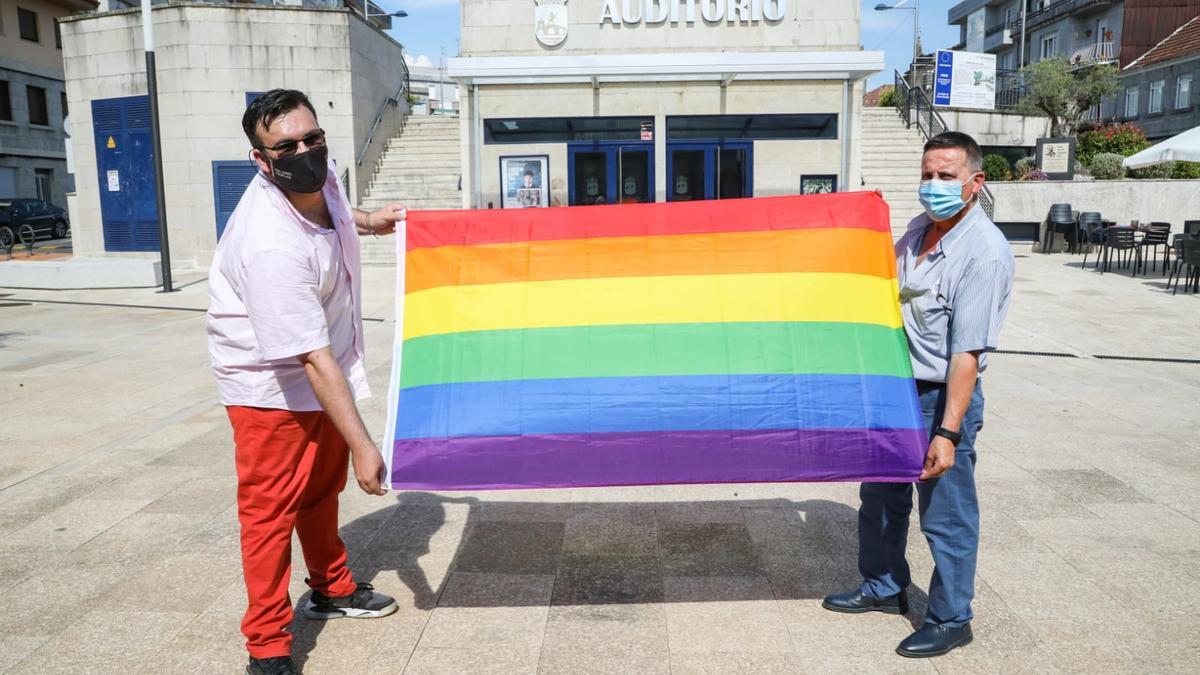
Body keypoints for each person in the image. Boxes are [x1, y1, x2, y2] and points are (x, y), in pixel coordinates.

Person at [206, 89, 408, 675]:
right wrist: (365, 445)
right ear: (260, 160)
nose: (305, 151)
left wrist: (373, 222)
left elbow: (343, 215)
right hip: (268, 387)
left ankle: (332, 588)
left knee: (321, 491)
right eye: (286, 146)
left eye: (311, 138)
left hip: (324, 370)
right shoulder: (268, 240)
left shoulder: (320, 178)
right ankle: (267, 646)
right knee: (270, 512)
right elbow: (311, 358)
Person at [822, 131, 1014, 658]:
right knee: (880, 498)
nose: (932, 185)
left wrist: (948, 433)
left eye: (946, 176)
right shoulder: (916, 230)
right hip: (890, 392)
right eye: (927, 174)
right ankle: (884, 586)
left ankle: (952, 617)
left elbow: (966, 356)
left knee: (945, 514)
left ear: (975, 183)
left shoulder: (984, 253)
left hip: (937, 399)